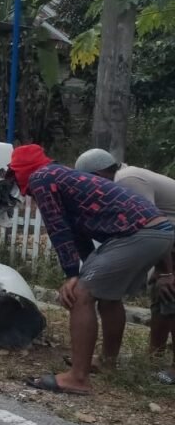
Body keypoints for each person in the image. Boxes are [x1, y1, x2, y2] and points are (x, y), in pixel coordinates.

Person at [9, 145, 174, 395]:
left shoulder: (41, 177)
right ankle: (107, 363)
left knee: (82, 294)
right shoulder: (63, 178)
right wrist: (85, 269)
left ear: (21, 171)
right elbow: (78, 234)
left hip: (139, 233)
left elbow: (57, 228)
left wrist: (72, 276)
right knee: (108, 296)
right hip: (156, 233)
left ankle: (77, 378)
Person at [75, 148, 175, 383]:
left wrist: (167, 271)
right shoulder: (124, 179)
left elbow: (151, 222)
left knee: (171, 296)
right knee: (162, 299)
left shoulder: (127, 180)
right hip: (169, 241)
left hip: (168, 239)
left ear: (99, 174)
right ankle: (154, 359)